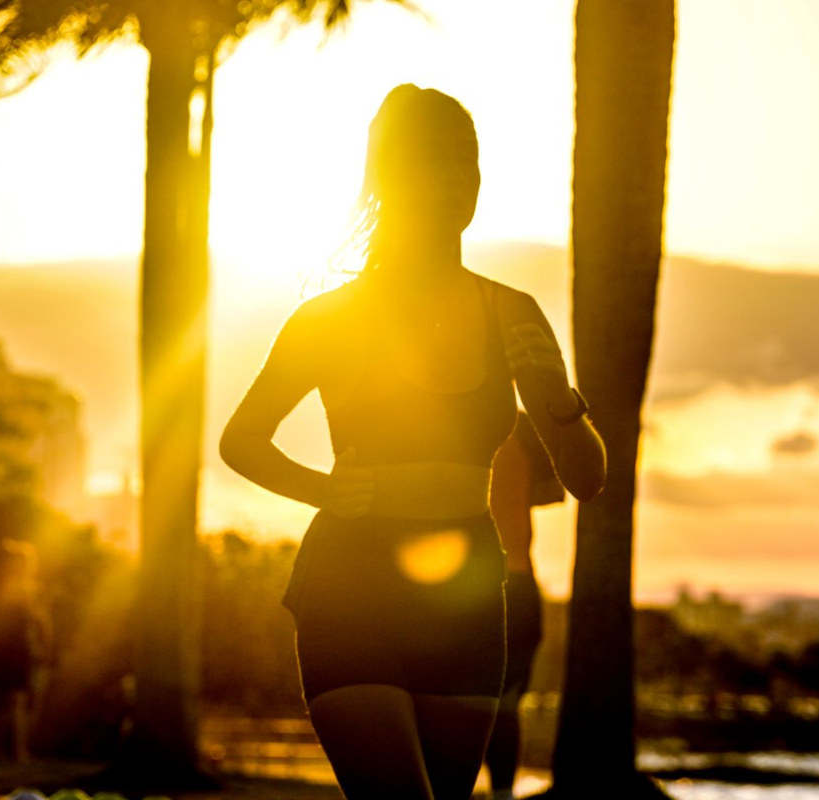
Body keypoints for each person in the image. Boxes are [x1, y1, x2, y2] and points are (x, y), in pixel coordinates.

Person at [220, 84, 606, 800]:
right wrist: (321, 488)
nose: (462, 180)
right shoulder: (329, 319)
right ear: (394, 179)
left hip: (466, 596)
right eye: (438, 162)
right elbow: (241, 440)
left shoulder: (511, 311)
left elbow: (586, 479)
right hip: (350, 583)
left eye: (470, 162)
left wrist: (559, 404)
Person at [483, 412, 564, 800]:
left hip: (482, 583)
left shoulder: (433, 420)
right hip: (513, 580)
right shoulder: (522, 428)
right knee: (504, 704)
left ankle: (494, 792)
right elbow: (551, 492)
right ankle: (500, 794)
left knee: (467, 701)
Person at [0, 538, 51, 762]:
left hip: (4, 649)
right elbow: (41, 621)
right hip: (16, 649)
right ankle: (16, 751)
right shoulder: (27, 590)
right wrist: (45, 645)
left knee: (1, 700)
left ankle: (2, 749)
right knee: (13, 700)